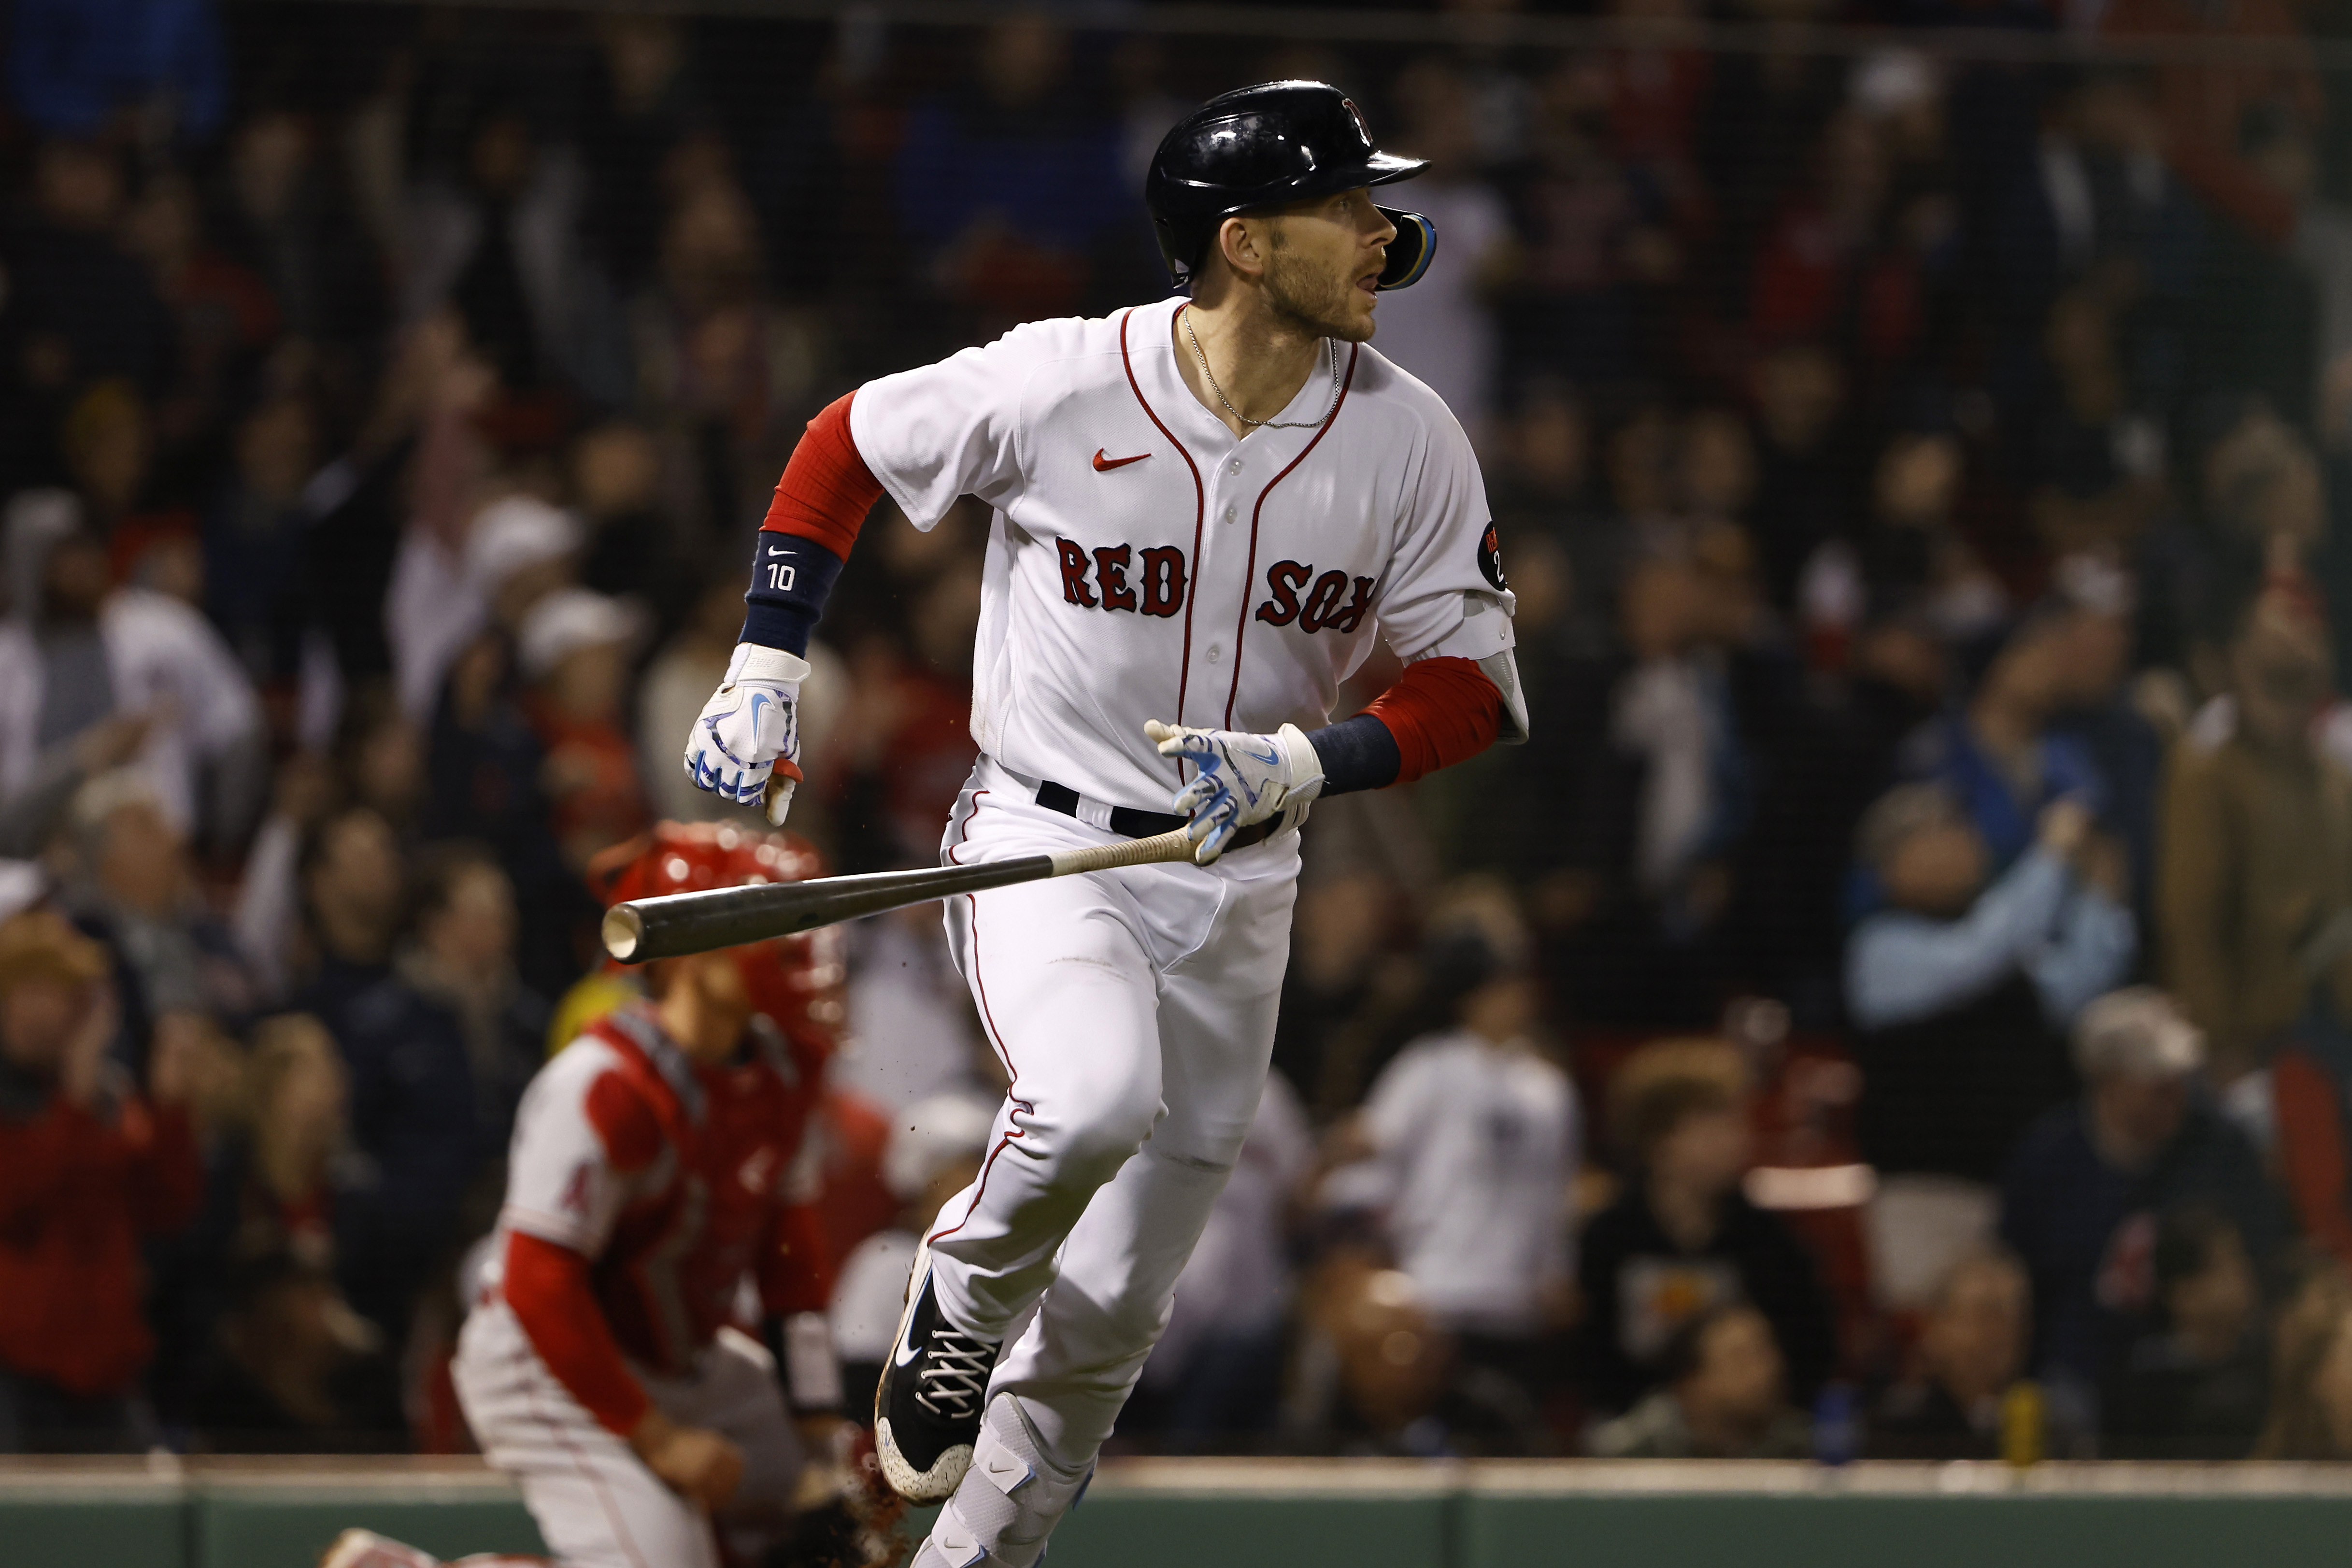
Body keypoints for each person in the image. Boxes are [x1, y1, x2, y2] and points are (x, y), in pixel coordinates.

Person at [680, 81, 1523, 1568]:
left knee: (1124, 1306)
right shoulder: (1068, 377)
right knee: (1087, 1098)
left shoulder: (1410, 437)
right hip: (1046, 843)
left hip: (1241, 875)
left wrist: (1320, 761)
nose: (1382, 230)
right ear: (1247, 244)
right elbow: (847, 441)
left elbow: (1478, 684)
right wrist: (767, 657)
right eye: (1348, 206)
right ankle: (959, 1286)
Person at [321, 824, 847, 1568]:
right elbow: (540, 1285)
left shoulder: (784, 1070)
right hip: (549, 1360)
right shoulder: (606, 1082)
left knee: (835, 1508)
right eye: (770, 924)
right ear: (688, 948)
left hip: (683, 1360)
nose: (796, 945)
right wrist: (660, 1441)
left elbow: (791, 1258)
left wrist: (820, 1430)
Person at [1844, 785, 2134, 1307]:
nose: (1969, 842)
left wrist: (2099, 896)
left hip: (2015, 1190)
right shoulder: (1881, 948)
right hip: (1929, 1199)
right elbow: (1976, 954)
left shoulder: (2003, 955)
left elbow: (2077, 985)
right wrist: (2050, 855)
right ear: (1896, 859)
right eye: (1947, 832)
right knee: (1930, 1340)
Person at [1999, 988, 2284, 1416]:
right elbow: (2016, 1277)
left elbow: (2264, 1260)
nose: (2174, 1092)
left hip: (2205, 1370)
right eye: (2155, 1080)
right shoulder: (2046, 1160)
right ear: (2105, 1080)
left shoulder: (2222, 1149)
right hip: (2079, 1373)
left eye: (2179, 1077)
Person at [0, 908, 203, 1452]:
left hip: (108, 1375)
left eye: (66, 990)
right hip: (16, 1378)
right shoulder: (61, 1099)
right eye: (36, 989)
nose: (56, 1007)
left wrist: (169, 1108)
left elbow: (166, 1207)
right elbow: (15, 1201)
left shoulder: (108, 1098)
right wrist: (75, 1103)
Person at [1575, 1038, 1835, 1416]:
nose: (1736, 1140)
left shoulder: (1769, 1240)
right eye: (1711, 1126)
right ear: (1658, 1141)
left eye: (1736, 1123)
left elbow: (1810, 1350)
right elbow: (1589, 1360)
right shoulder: (1609, 1238)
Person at [2103, 1205, 2268, 1457]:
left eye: (2241, 1261)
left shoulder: (2267, 1369)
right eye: (2222, 1268)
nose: (2242, 1277)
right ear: (2182, 1294)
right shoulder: (2142, 1392)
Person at [1585, 1302, 1812, 1459]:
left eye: (1767, 1353)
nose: (1768, 1370)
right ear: (1691, 1381)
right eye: (1742, 1358)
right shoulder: (1625, 1456)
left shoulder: (1805, 1450)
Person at [1869, 1250, 2031, 1459]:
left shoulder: (2052, 1430)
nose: (2001, 1334)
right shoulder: (1898, 1430)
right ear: (1936, 1326)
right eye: (1986, 1315)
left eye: (2016, 1318)